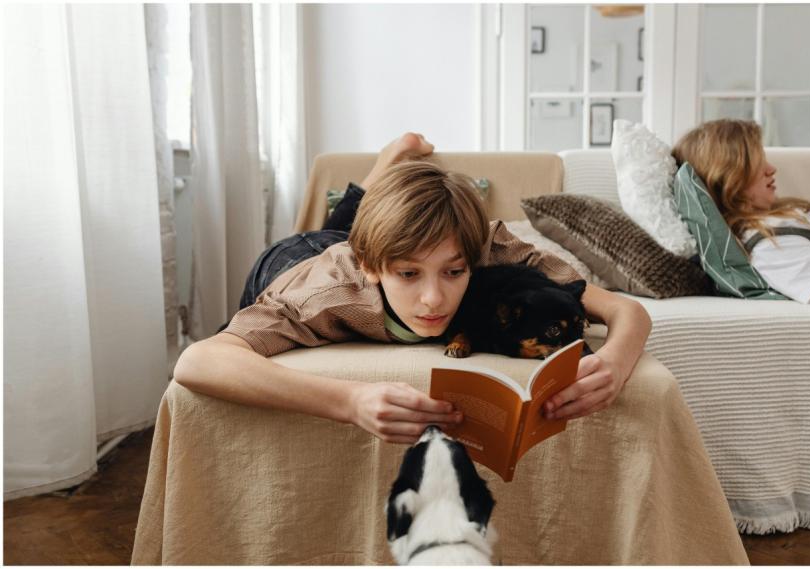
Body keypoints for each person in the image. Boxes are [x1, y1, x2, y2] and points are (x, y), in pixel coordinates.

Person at [174, 132, 652, 444]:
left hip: (365, 247)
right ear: (374, 268)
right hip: (292, 259)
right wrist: (349, 400)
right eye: (409, 275)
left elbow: (626, 311)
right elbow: (198, 361)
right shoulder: (320, 295)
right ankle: (384, 168)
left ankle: (387, 176)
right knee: (332, 235)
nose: (434, 300)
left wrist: (613, 361)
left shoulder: (490, 246)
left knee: (356, 233)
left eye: (453, 272)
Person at [672, 119, 810, 304]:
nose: (771, 169)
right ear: (727, 177)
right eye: (756, 163)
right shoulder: (771, 250)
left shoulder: (773, 221)